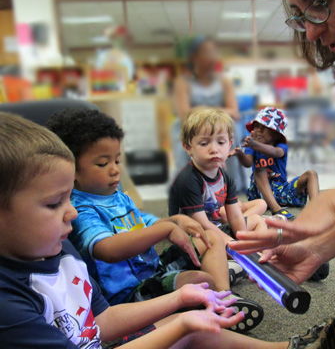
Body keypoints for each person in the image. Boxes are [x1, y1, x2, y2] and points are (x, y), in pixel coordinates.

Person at [0, 112, 335, 349]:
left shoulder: (63, 256)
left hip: (139, 289)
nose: (70, 212)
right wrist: (180, 318)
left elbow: (101, 320)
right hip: (131, 289)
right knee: (189, 323)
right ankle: (227, 290)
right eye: (53, 204)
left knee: (195, 315)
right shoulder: (9, 300)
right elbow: (106, 249)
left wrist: (173, 233)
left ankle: (286, 343)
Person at [229, 0, 335, 344]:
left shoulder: (275, 149)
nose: (310, 32)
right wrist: (315, 248)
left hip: (280, 193)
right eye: (299, 13)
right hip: (275, 195)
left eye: (319, 1)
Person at [47, 108, 264, 334]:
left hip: (154, 269)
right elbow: (106, 250)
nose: (114, 171)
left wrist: (175, 220)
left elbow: (144, 223)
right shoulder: (80, 208)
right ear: (70, 169)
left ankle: (225, 298)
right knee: (201, 280)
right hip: (130, 294)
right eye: (103, 164)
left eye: (117, 161)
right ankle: (217, 300)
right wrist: (164, 230)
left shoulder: (117, 196)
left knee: (208, 238)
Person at [169, 108, 267, 245]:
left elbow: (234, 217)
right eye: (204, 143)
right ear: (188, 147)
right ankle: (244, 255)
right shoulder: (188, 180)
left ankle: (257, 251)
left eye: (221, 142)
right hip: (194, 234)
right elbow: (201, 224)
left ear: (230, 144)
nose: (214, 149)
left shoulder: (226, 178)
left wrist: (242, 238)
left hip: (215, 227)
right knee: (221, 244)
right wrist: (234, 244)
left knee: (257, 220)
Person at [172, 36, 247, 191]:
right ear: (194, 57)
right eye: (206, 52)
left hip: (220, 123)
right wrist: (213, 113)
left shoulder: (224, 81)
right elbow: (184, 113)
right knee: (183, 131)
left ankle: (231, 183)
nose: (212, 57)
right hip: (192, 124)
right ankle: (189, 185)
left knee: (234, 128)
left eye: (214, 52)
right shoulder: (183, 82)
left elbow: (234, 111)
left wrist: (205, 113)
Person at [231, 107, 319, 220]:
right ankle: (276, 209)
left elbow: (276, 153)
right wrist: (240, 154)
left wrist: (255, 145)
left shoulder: (280, 146)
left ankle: (317, 208)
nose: (259, 130)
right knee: (260, 169)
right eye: (257, 126)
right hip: (260, 194)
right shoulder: (252, 148)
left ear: (277, 134)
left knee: (311, 174)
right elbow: (248, 163)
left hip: (282, 190)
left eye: (265, 127)